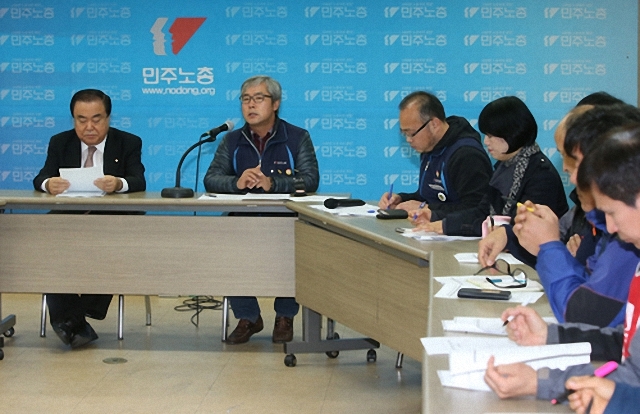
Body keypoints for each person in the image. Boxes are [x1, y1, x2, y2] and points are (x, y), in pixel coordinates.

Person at [483, 123, 640, 404]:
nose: (611, 227)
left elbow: (587, 314)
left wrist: (613, 401)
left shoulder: (627, 247)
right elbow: (626, 349)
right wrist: (550, 340)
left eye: (613, 213)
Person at [480, 104, 640, 328]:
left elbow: (584, 315)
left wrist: (549, 246)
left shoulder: (625, 237)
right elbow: (587, 289)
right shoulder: (601, 220)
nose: (567, 171)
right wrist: (516, 236)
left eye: (571, 158)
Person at [203, 75, 319, 345]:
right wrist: (237, 182)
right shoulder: (232, 140)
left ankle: (285, 316)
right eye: (245, 99)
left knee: (296, 248)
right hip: (242, 220)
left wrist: (272, 183)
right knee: (227, 247)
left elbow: (310, 180)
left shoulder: (297, 137)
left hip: (285, 220)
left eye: (258, 98)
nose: (251, 105)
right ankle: (248, 317)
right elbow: (211, 179)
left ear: (275, 103)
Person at [33, 88, 146, 348]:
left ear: (108, 118)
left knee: (113, 247)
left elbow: (138, 180)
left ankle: (71, 319)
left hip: (112, 222)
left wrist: (118, 183)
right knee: (46, 246)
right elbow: (41, 177)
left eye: (96, 119)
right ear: (73, 119)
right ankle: (75, 319)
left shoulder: (128, 142)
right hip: (69, 221)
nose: (89, 127)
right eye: (81, 120)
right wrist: (49, 184)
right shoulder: (60, 142)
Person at [410, 96, 567, 236]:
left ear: (512, 133)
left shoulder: (541, 175)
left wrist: (447, 225)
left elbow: (523, 228)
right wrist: (437, 218)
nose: (486, 142)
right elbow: (482, 212)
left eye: (491, 136)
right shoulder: (504, 167)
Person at [378, 91, 492, 219]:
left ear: (434, 124)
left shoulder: (467, 155)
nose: (409, 140)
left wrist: (426, 208)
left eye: (411, 133)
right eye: (404, 134)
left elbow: (477, 209)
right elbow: (430, 196)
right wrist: (401, 199)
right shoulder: (430, 148)